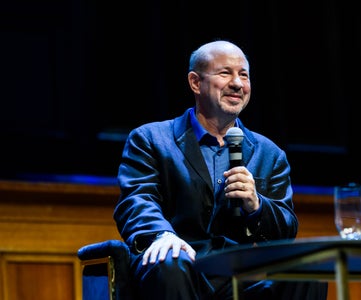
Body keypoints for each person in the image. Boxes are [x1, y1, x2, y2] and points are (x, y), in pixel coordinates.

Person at [113, 40, 328, 299]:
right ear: (195, 82)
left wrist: (257, 205)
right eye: (225, 73)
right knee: (171, 262)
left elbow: (285, 229)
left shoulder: (269, 153)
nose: (237, 83)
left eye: (244, 75)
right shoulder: (151, 139)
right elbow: (136, 200)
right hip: (177, 266)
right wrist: (162, 234)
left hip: (241, 276)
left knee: (309, 271)